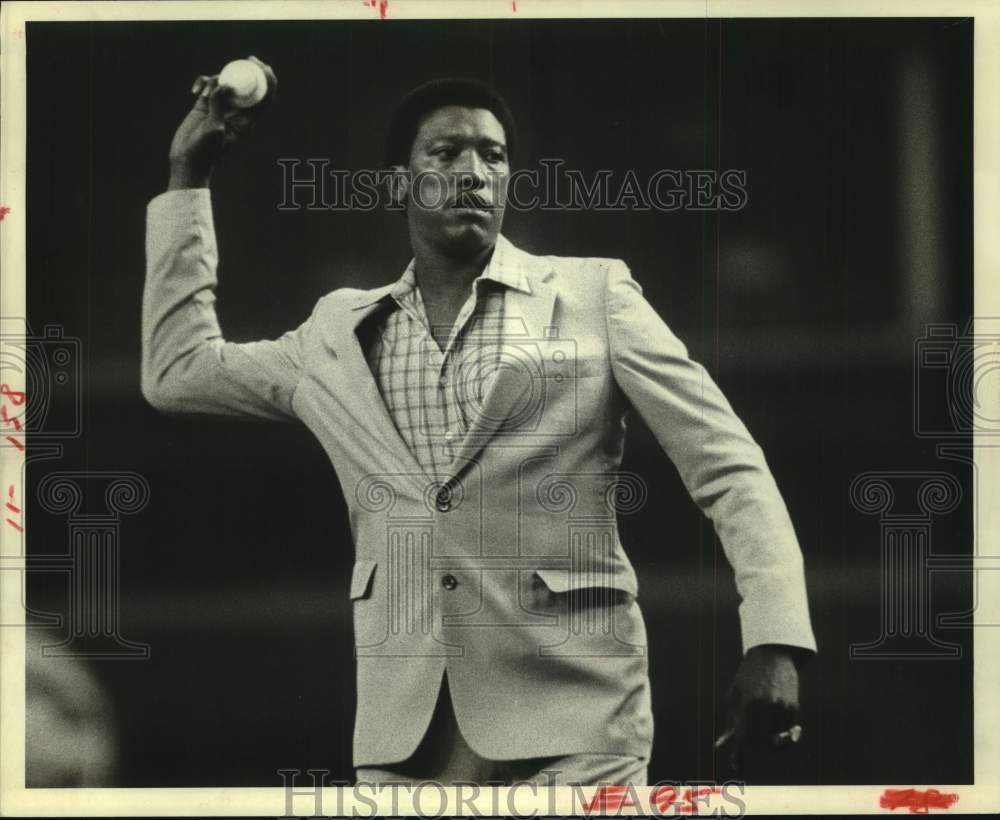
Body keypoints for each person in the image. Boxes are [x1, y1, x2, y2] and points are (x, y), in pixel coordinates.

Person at [142, 59, 817, 786]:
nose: (473, 172)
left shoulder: (596, 295)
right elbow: (177, 371)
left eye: (492, 156)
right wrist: (190, 176)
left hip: (579, 724)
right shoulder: (337, 332)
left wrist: (775, 640)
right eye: (445, 154)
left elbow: (727, 464)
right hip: (406, 740)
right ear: (401, 181)